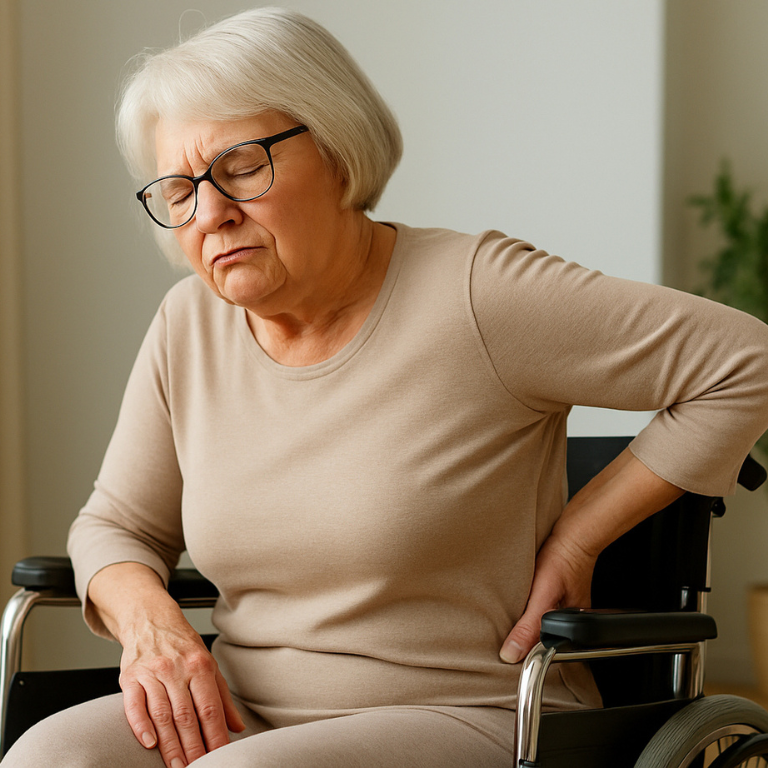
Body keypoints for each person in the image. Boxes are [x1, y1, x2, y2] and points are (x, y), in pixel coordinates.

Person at [5, 6, 768, 768]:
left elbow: (745, 361)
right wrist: (152, 626)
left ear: (339, 152)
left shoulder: (477, 294)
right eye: (179, 190)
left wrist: (580, 532)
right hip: (243, 713)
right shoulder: (188, 326)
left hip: (469, 709)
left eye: (240, 167)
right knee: (48, 758)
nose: (211, 214)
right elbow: (115, 525)